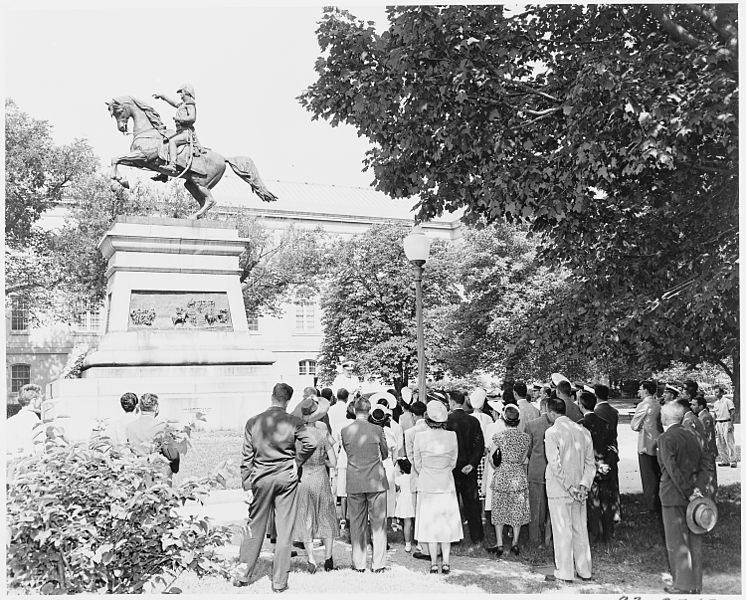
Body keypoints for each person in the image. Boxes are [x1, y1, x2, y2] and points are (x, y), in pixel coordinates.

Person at [233, 383, 317, 592]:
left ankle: (243, 574)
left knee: (254, 526)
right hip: (285, 476)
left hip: (261, 476)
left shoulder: (253, 421)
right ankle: (279, 581)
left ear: (272, 396)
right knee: (284, 529)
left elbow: (247, 455)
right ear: (288, 400)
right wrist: (296, 462)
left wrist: (246, 480)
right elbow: (311, 443)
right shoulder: (294, 421)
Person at [544, 397, 595, 584]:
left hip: (561, 488)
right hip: (579, 488)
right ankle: (585, 570)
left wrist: (570, 486)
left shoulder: (552, 432)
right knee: (580, 528)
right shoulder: (584, 431)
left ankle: (565, 572)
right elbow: (591, 463)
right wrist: (583, 484)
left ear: (550, 412)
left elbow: (555, 464)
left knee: (562, 530)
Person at [657, 402, 705, 594]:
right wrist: (695, 490)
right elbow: (702, 463)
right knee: (694, 539)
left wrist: (687, 490)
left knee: (677, 541)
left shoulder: (665, 438)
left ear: (665, 418)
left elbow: (672, 470)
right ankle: (696, 584)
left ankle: (683, 584)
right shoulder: (692, 435)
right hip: (693, 493)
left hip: (673, 493)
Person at [414, 401, 463, 574]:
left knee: (430, 523)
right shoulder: (451, 436)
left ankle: (434, 562)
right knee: (446, 523)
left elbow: (417, 463)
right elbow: (453, 462)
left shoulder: (420, 436)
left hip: (427, 483)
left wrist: (428, 471)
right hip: (445, 483)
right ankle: (446, 562)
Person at [341, 396, 389, 573]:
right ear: (369, 411)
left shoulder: (345, 431)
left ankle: (359, 563)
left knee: (357, 523)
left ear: (354, 410)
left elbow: (348, 452)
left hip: (355, 479)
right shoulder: (377, 429)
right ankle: (378, 563)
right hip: (376, 480)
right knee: (378, 523)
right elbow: (385, 453)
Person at [290, 396, 337, 573]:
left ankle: (311, 558)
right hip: (320, 476)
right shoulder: (323, 433)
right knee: (326, 515)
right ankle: (329, 557)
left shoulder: (296, 436)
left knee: (306, 517)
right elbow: (333, 461)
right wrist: (323, 461)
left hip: (303, 478)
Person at [487, 405, 530, 556]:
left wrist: (497, 467)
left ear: (504, 419)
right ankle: (515, 543)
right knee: (516, 510)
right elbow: (524, 458)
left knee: (499, 509)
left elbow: (491, 457)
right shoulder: (525, 438)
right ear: (518, 421)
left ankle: (499, 544)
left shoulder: (499, 436)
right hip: (518, 475)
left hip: (502, 475)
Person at [446, 389, 485, 545]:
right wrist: (472, 463)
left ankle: (454, 536)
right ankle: (477, 537)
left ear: (453, 402)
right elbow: (479, 445)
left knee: (452, 502)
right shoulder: (473, 421)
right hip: (468, 467)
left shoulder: (447, 421)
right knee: (472, 503)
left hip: (452, 467)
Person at [578, 391, 616, 542]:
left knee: (592, 502)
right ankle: (608, 533)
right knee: (605, 501)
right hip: (604, 465)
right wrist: (605, 463)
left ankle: (595, 534)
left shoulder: (581, 425)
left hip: (590, 467)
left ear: (581, 405)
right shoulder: (605, 423)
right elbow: (611, 447)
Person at [125, 393, 180, 479]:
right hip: (157, 473)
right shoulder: (162, 427)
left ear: (139, 407)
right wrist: (174, 469)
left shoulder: (129, 427)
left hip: (137, 472)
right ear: (156, 408)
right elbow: (173, 456)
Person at [630, 380, 663, 514]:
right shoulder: (658, 404)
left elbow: (634, 425)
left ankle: (651, 505)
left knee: (648, 476)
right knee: (657, 473)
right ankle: (658, 502)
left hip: (646, 443)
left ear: (646, 391)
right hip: (658, 442)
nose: (639, 391)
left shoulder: (644, 405)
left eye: (640, 389)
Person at [524, 398, 553, 547]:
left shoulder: (531, 425)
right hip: (553, 470)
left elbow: (527, 450)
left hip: (536, 469)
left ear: (542, 407)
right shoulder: (555, 424)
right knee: (552, 508)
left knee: (535, 507)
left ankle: (534, 539)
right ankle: (549, 539)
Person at [153, 84, 197, 174]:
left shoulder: (190, 105)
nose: (180, 95)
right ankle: (164, 173)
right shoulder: (182, 105)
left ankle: (172, 165)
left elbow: (192, 118)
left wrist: (180, 119)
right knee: (164, 141)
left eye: (181, 92)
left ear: (186, 92)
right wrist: (162, 96)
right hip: (180, 132)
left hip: (186, 133)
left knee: (172, 141)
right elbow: (172, 102)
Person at [594, 383, 621, 523]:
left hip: (601, 451)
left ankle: (605, 512)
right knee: (614, 482)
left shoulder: (596, 412)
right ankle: (616, 511)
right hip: (613, 449)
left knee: (602, 484)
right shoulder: (613, 411)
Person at [406, 401, 430, 558]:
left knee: (417, 510)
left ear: (414, 415)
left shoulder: (410, 432)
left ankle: (422, 543)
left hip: (416, 473)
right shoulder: (432, 429)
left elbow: (410, 456)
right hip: (432, 473)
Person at [6, 383, 44, 456]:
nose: (41, 402)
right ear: (34, 400)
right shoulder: (35, 420)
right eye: (40, 399)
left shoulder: (9, 421)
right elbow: (39, 447)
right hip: (29, 462)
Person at [693, 395, 719, 496]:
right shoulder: (702, 416)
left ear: (701, 406)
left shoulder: (704, 417)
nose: (692, 407)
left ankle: (712, 497)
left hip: (708, 451)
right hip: (708, 450)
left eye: (694, 405)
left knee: (710, 476)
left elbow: (705, 437)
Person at [712, 386, 737, 468]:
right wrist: (715, 425)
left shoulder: (727, 401)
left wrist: (731, 424)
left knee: (729, 442)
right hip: (719, 423)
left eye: (717, 392)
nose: (716, 394)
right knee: (720, 443)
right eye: (715, 392)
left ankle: (733, 461)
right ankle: (724, 460)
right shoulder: (715, 403)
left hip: (727, 422)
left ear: (722, 393)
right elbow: (715, 415)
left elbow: (732, 413)